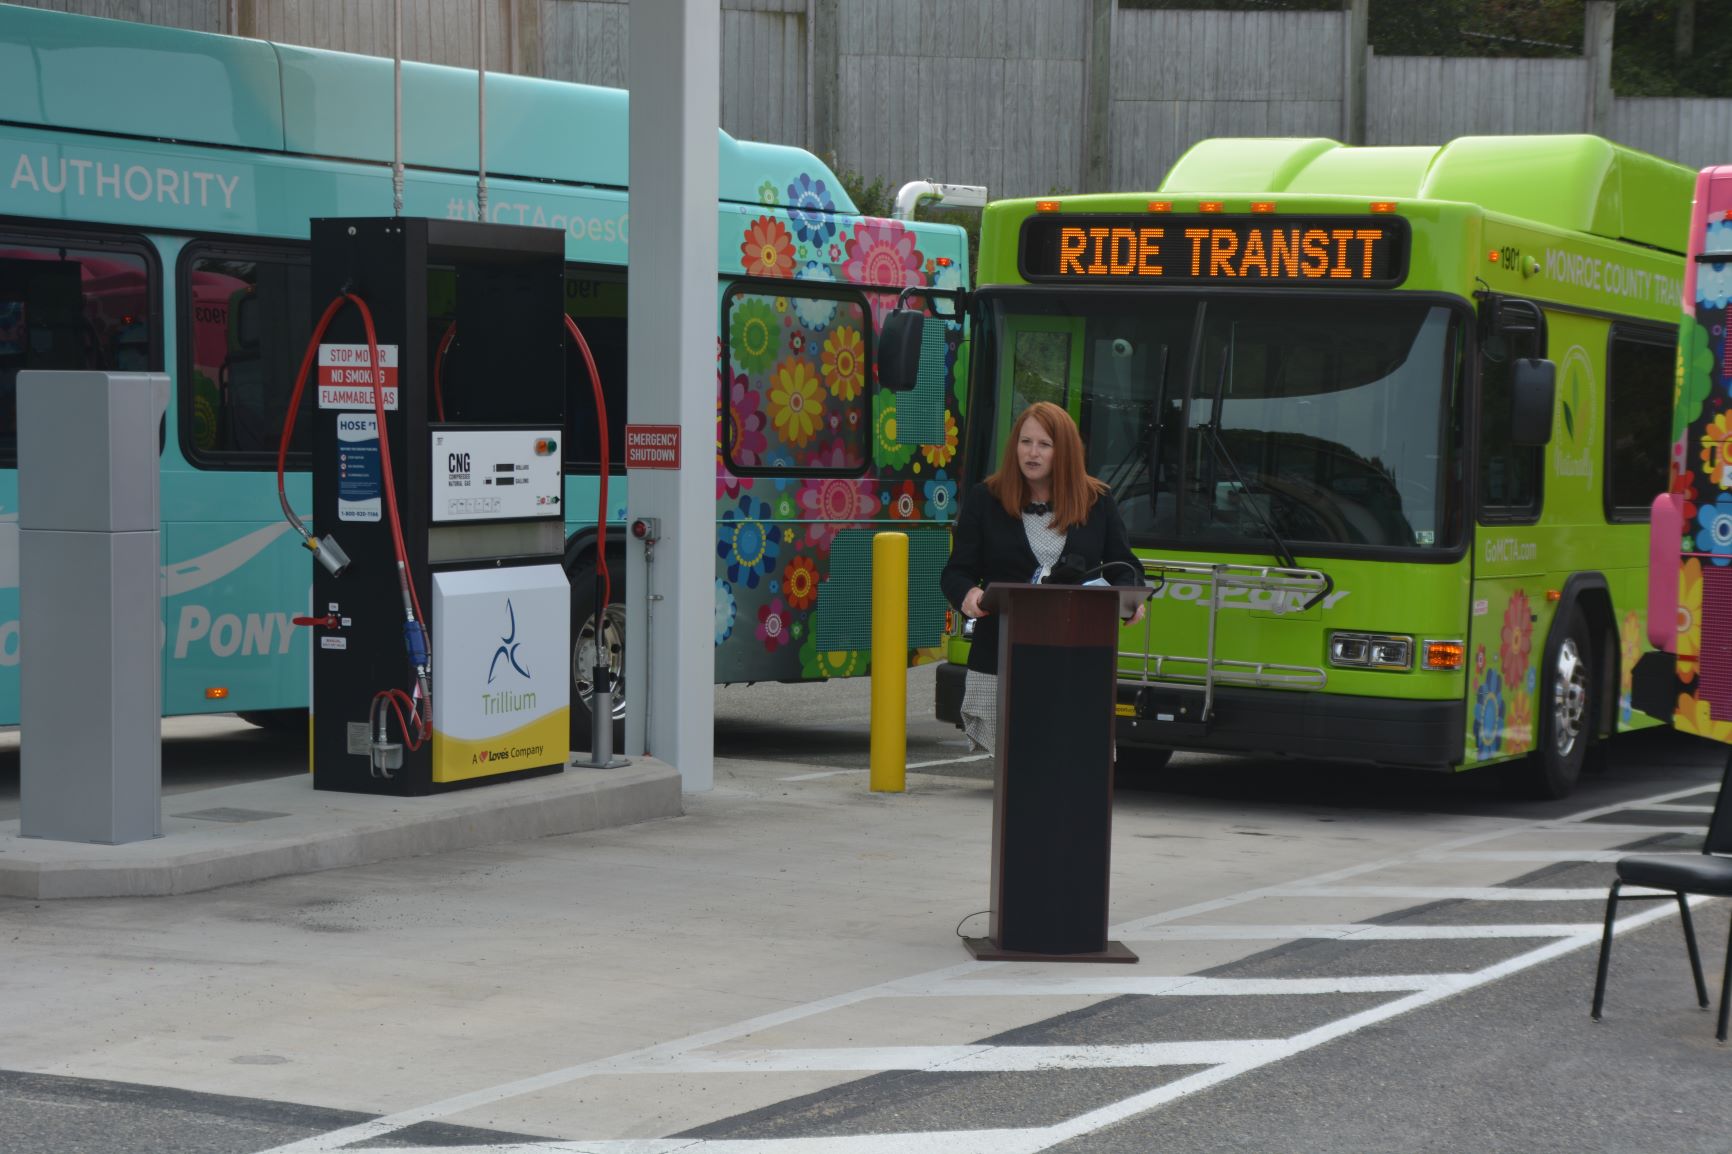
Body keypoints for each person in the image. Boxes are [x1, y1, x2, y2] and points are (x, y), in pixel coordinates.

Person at [940, 401, 1146, 754]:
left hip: (1075, 656)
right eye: (1025, 442)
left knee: (1068, 762)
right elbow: (956, 571)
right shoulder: (984, 499)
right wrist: (970, 595)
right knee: (1017, 765)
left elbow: (1124, 565)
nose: (1031, 453)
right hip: (1002, 655)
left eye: (1044, 445)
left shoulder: (1098, 501)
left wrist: (1133, 597)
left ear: (1063, 452)